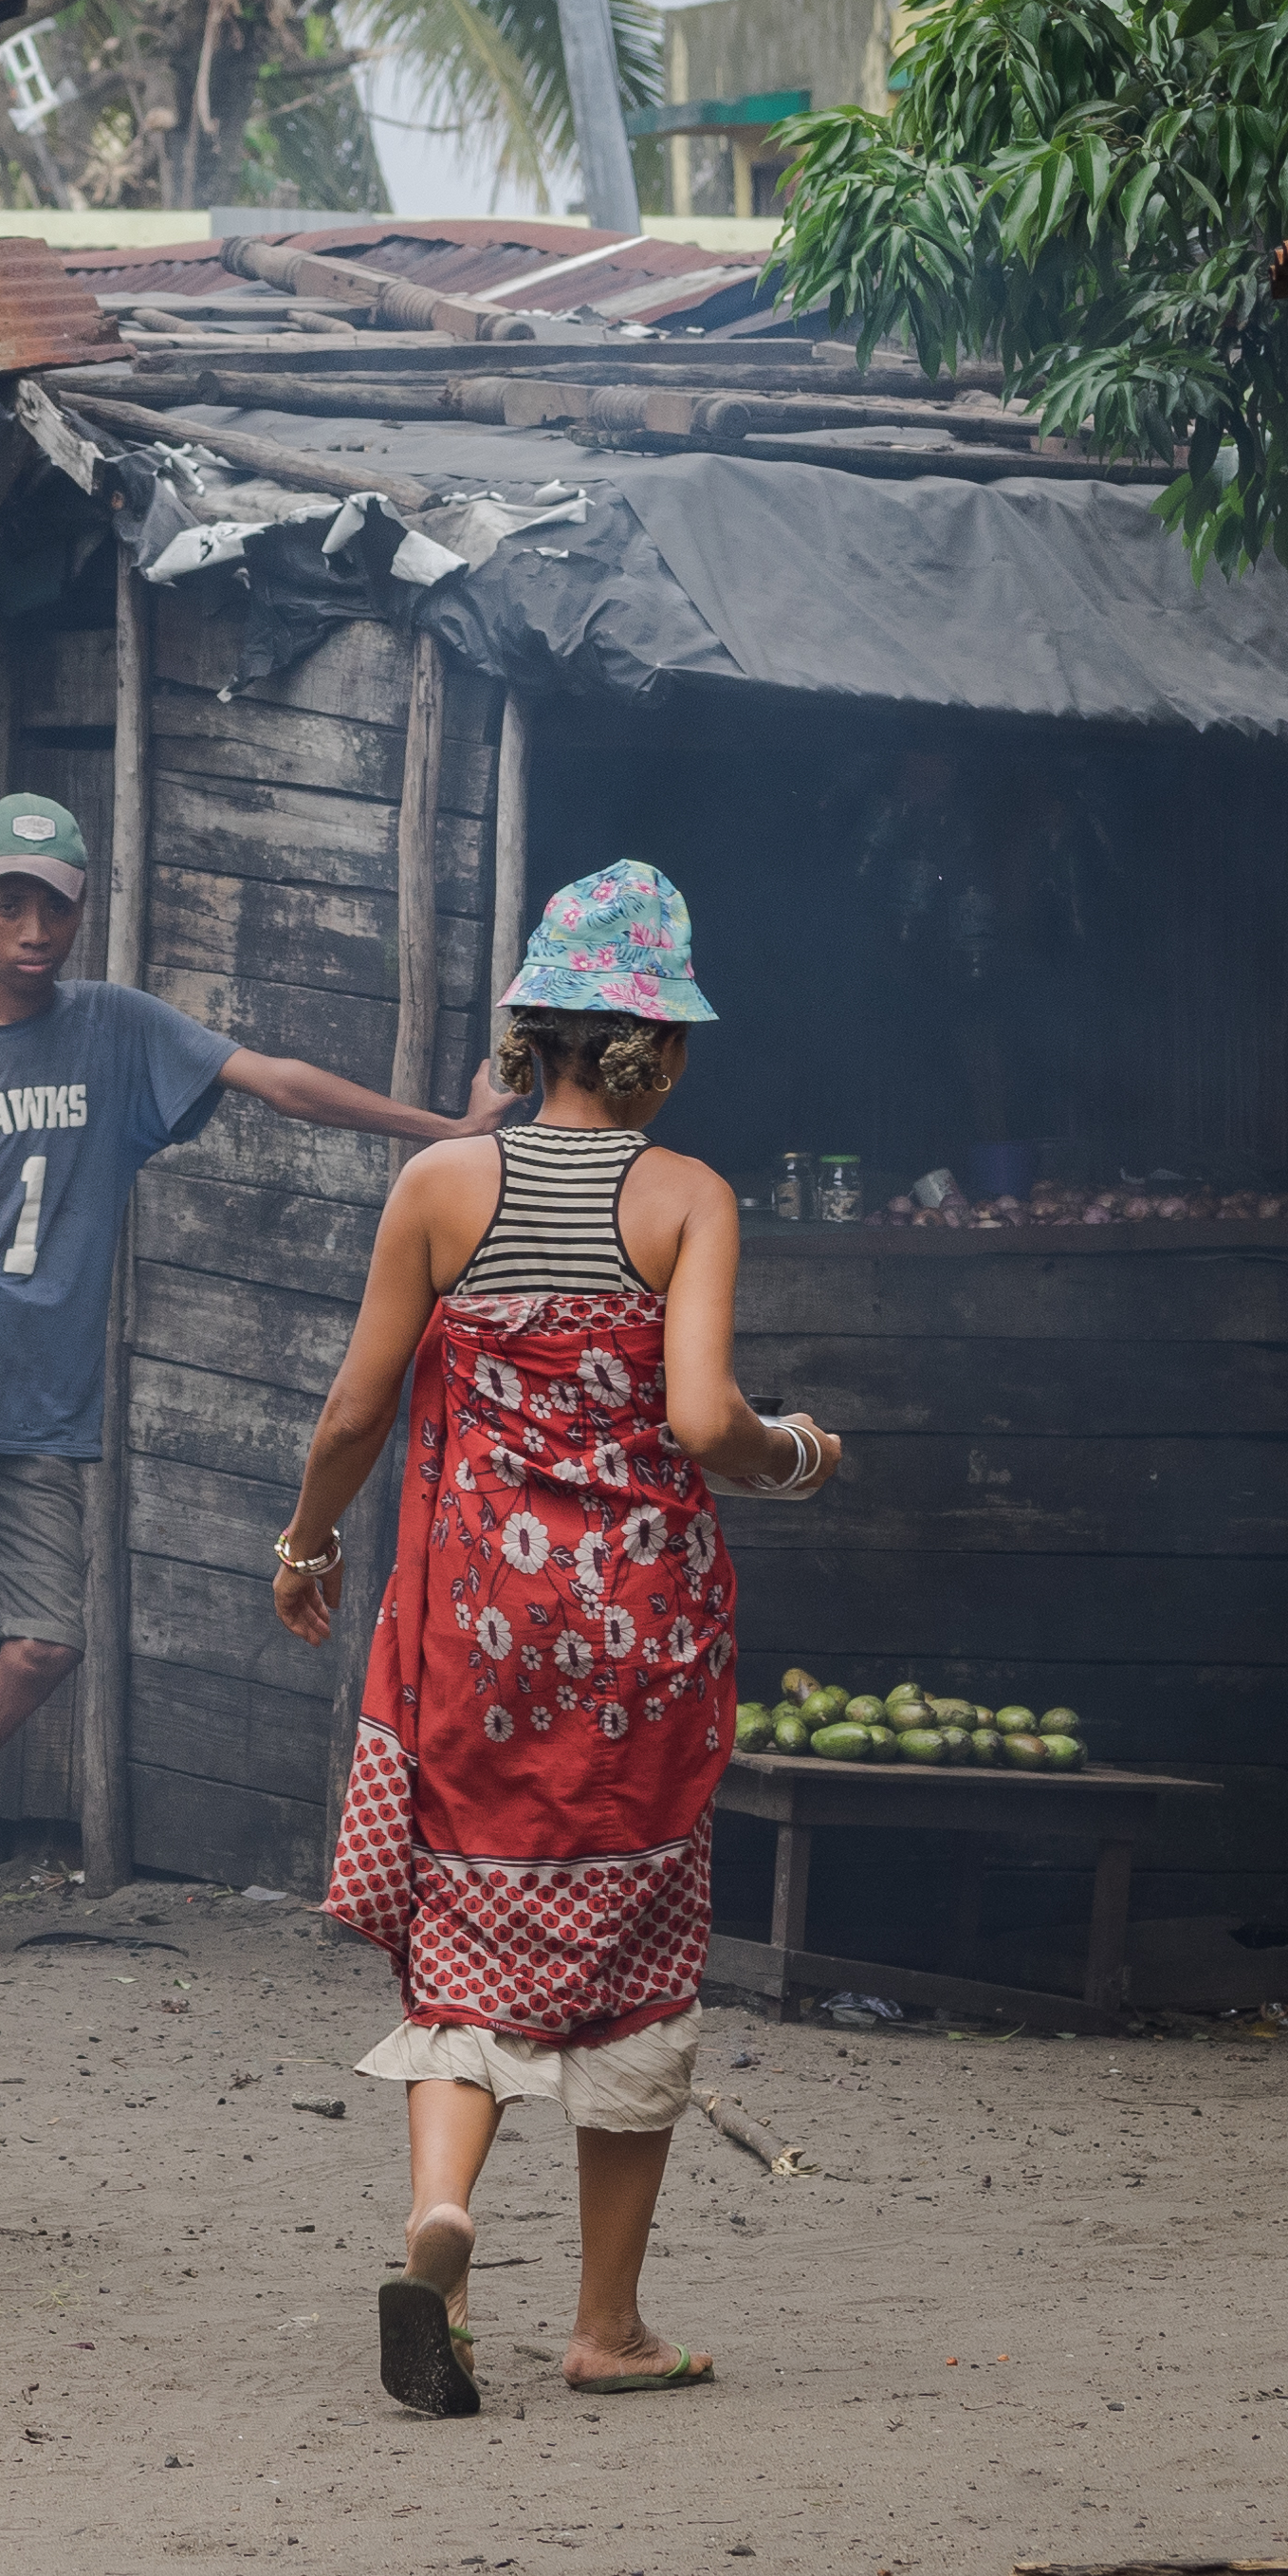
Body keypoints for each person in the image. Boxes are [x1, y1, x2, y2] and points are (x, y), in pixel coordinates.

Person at [269, 861, 838, 2414]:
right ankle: (605, 2325)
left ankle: (441, 2213)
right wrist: (795, 1449)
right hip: (639, 1651)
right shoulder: (686, 1198)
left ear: (530, 1032)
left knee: (466, 1949)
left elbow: (354, 1408)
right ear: (667, 1045)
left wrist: (308, 1542)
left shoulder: (443, 1188)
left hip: (480, 1637)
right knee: (640, 1959)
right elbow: (702, 1419)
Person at [0, 788, 517, 1963]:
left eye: (53, 908)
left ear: (79, 915)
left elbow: (279, 1079)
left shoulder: (116, 1027)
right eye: (7, 903)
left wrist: (445, 1131)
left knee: (42, 1645)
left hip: (45, 1412)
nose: (32, 930)